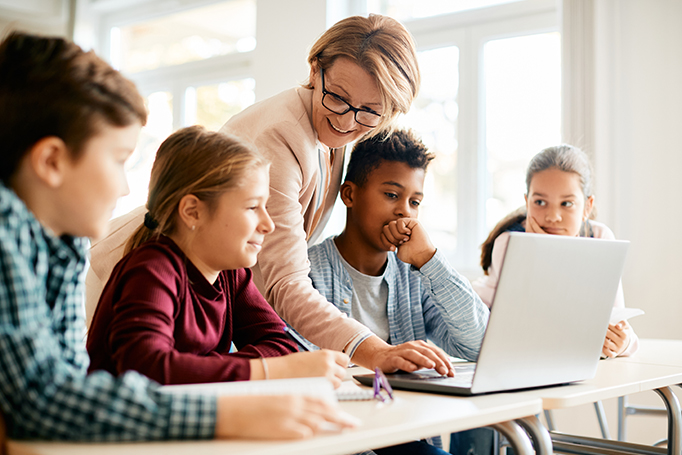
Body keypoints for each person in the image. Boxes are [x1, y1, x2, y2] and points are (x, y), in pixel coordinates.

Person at [0, 31, 356, 442]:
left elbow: (65, 388)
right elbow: (44, 402)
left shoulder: (64, 243)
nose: (125, 190)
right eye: (118, 161)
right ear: (51, 161)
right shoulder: (9, 239)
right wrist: (230, 411)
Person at [86, 14, 454, 377]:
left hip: (206, 279)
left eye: (368, 111)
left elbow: (276, 339)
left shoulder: (236, 275)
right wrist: (373, 351)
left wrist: (268, 366)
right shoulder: (280, 137)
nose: (345, 121)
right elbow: (285, 283)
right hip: (156, 280)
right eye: (337, 98)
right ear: (315, 71)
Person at [87, 126, 349, 388]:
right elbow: (147, 370)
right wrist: (267, 369)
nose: (268, 224)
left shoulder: (230, 273)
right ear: (192, 212)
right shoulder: (152, 270)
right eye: (252, 207)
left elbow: (282, 345)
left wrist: (199, 367)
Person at [306, 130, 490, 455]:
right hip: (341, 440)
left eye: (415, 202)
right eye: (392, 195)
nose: (405, 211)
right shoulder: (306, 272)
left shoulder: (415, 275)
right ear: (349, 194)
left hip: (408, 437)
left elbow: (480, 345)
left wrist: (429, 260)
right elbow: (305, 373)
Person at [474, 144, 638, 358]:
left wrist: (624, 344)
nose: (553, 216)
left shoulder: (600, 238)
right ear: (527, 202)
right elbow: (522, 328)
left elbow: (618, 320)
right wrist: (540, 254)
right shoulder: (508, 243)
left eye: (566, 203)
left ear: (587, 206)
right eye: (540, 202)